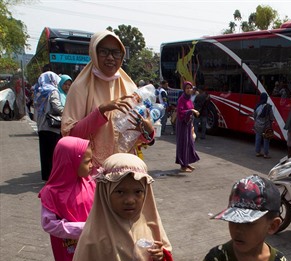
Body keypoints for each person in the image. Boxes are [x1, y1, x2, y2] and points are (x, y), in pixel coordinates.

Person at [61, 29, 155, 171]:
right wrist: (101, 111)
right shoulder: (80, 87)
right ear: (94, 52)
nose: (111, 57)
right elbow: (70, 136)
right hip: (92, 172)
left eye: (116, 53)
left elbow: (139, 139)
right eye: (104, 52)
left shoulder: (129, 86)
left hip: (125, 169)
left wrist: (147, 130)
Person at [34, 71, 63, 180]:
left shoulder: (39, 90)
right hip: (51, 126)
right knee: (53, 153)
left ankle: (46, 176)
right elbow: (56, 106)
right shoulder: (52, 91)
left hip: (41, 126)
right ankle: (53, 177)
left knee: (44, 152)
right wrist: (67, 112)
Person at [175, 81, 200, 173]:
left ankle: (187, 162)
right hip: (182, 125)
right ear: (184, 89)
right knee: (183, 144)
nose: (189, 90)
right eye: (187, 88)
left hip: (188, 124)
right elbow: (181, 112)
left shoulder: (189, 99)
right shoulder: (181, 99)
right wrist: (191, 110)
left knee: (189, 143)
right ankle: (183, 165)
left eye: (190, 88)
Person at [253, 93, 274, 159]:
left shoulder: (257, 106)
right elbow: (271, 117)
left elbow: (254, 116)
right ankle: (265, 154)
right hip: (266, 126)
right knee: (266, 139)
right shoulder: (268, 107)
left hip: (258, 125)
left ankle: (257, 152)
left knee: (258, 138)